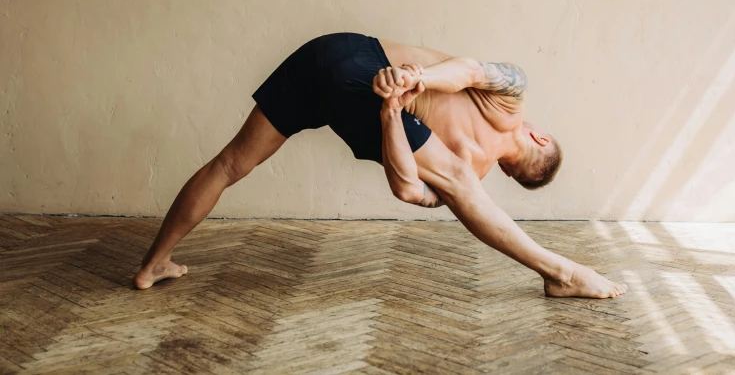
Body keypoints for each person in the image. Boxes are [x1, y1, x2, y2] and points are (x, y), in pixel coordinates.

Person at [134, 32, 627, 298]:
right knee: (456, 182)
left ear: (540, 137)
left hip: (327, 52)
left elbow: (409, 187)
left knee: (229, 163)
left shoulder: (474, 161)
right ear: (514, 169)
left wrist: (394, 110)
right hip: (363, 66)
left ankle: (154, 262)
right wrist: (419, 79)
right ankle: (561, 271)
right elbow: (469, 73)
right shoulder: (487, 140)